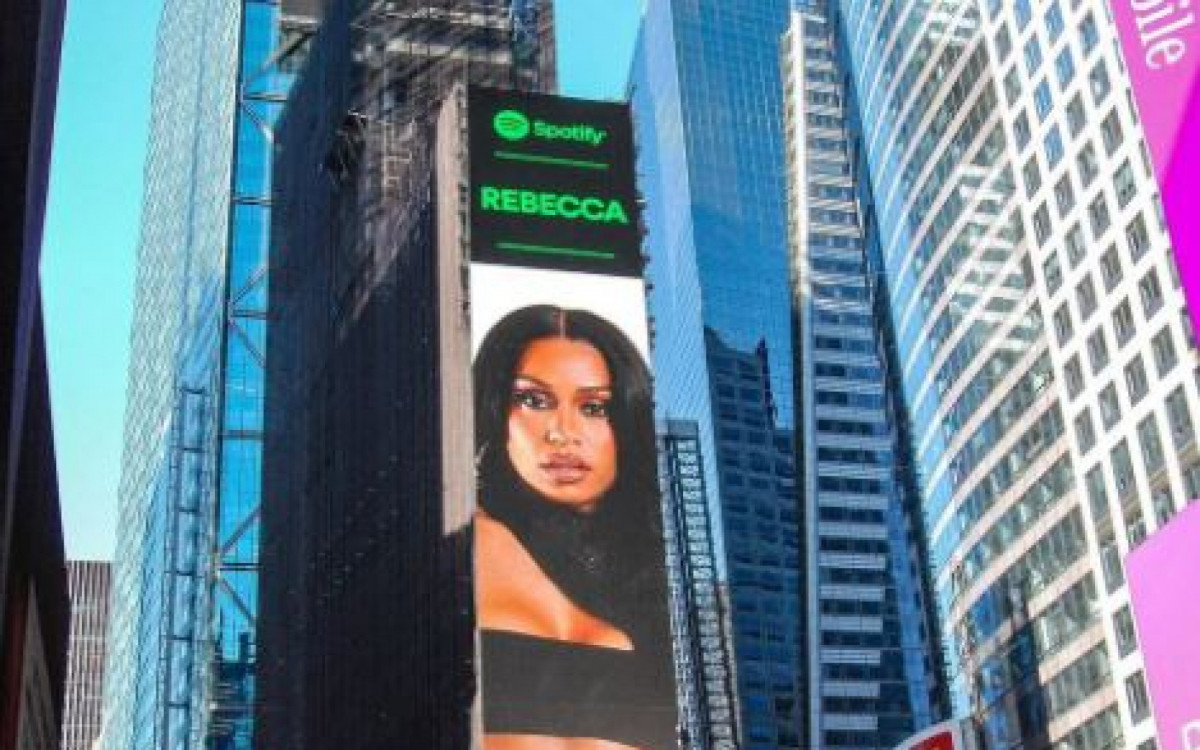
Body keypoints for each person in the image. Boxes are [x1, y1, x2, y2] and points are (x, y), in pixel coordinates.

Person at [473, 305, 676, 750]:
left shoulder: (662, 574)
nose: (563, 433)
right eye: (534, 400)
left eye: (594, 407)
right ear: (495, 412)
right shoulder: (462, 543)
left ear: (627, 419)